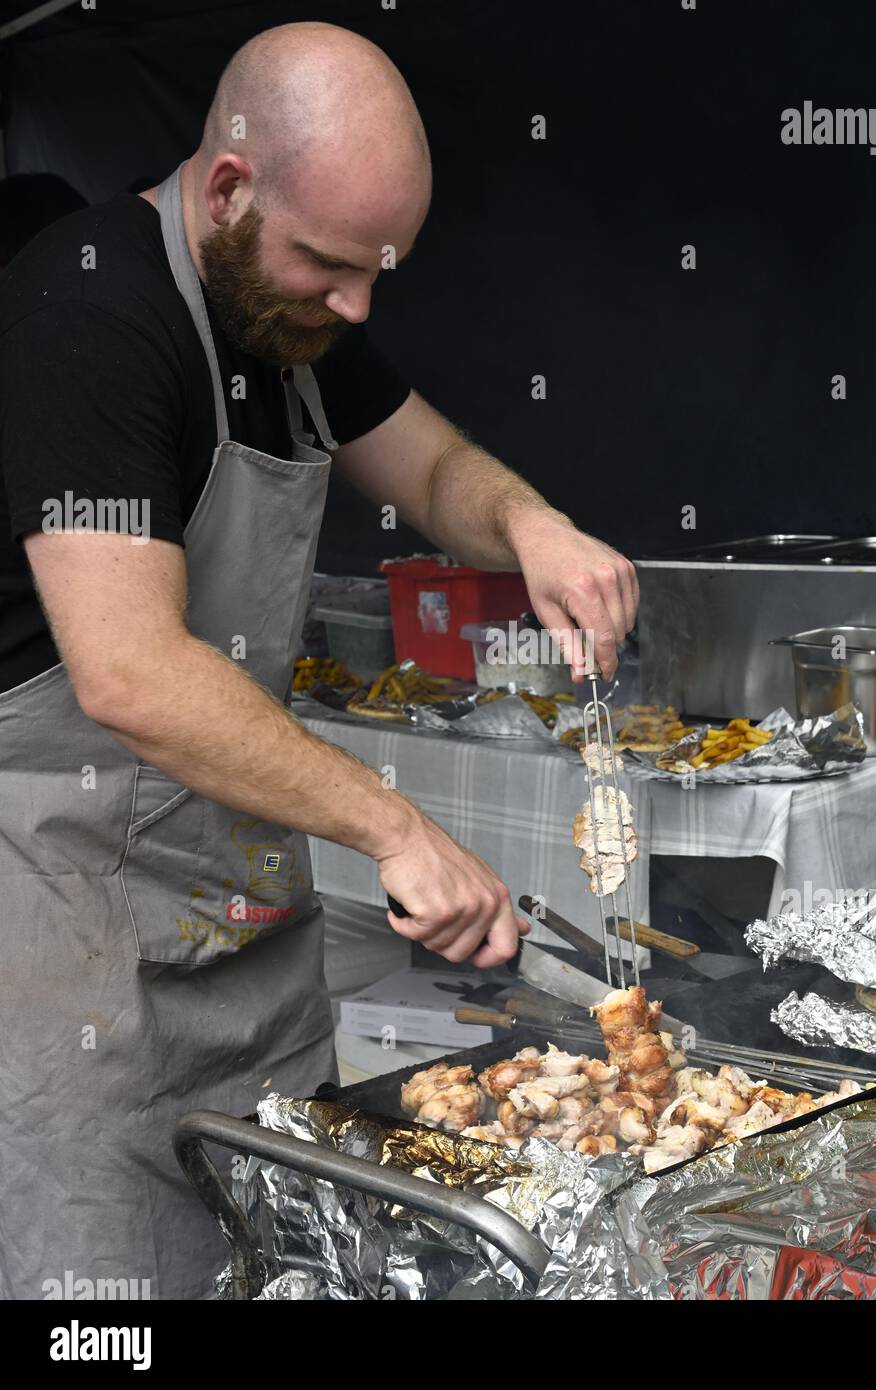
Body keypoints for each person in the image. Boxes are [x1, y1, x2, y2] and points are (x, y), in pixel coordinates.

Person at [0, 21, 638, 1298]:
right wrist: (394, 828)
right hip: (72, 948)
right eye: (334, 267)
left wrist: (531, 526)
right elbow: (126, 670)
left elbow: (436, 467)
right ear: (229, 187)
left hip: (245, 940)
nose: (356, 307)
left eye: (378, 274)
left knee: (297, 1268)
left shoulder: (292, 304)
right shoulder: (88, 308)